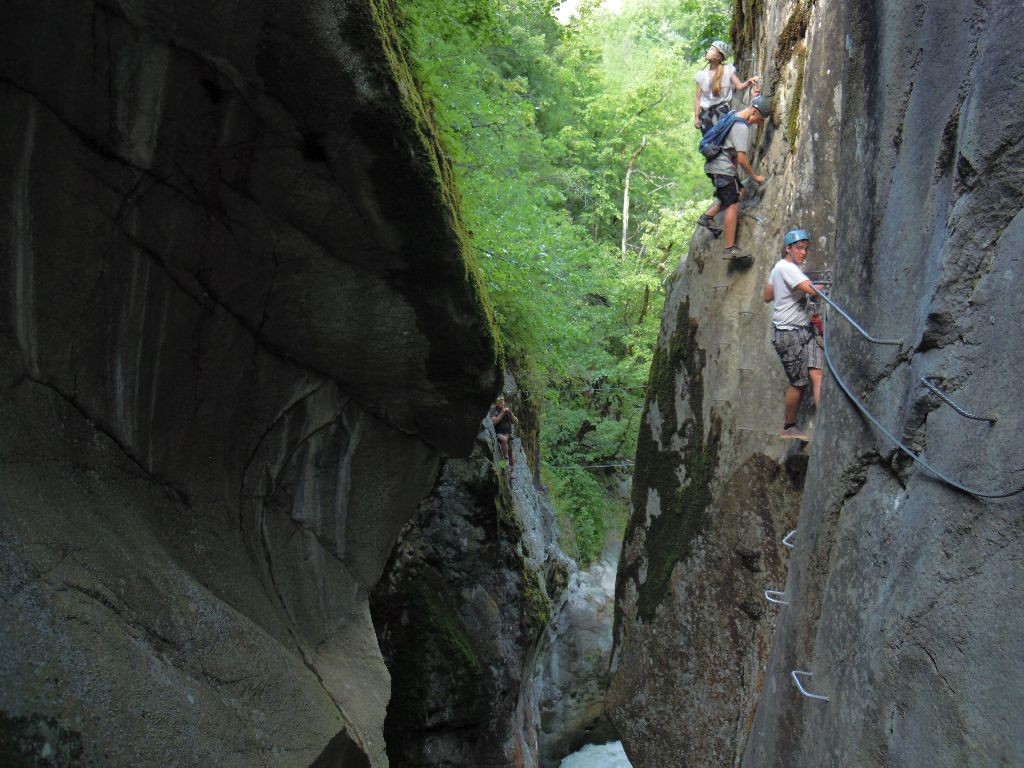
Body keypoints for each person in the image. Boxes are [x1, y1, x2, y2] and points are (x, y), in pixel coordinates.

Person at [762, 229, 824, 440]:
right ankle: (789, 427)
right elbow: (814, 290)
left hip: (803, 330)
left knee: (817, 373)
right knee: (798, 383)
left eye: (806, 248)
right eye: (799, 248)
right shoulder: (788, 268)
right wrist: (823, 284)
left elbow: (767, 296)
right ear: (787, 248)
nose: (803, 252)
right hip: (788, 334)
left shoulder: (779, 269)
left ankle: (824, 423)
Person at [697, 94, 771, 262]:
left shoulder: (733, 115)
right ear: (753, 111)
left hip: (717, 166)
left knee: (735, 193)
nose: (757, 123)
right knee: (733, 203)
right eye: (758, 119)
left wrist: (755, 92)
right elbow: (742, 157)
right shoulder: (741, 126)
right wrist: (755, 176)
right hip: (721, 167)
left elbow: (733, 155)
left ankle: (707, 218)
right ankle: (730, 249)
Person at [693, 40, 760, 135]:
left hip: (722, 112)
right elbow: (698, 99)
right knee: (709, 144)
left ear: (718, 57)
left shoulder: (727, 70)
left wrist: (749, 82)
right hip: (706, 115)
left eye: (711, 49)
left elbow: (739, 86)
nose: (708, 51)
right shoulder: (701, 75)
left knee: (723, 141)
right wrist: (696, 117)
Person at [489, 395, 519, 468]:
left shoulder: (508, 410)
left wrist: (511, 414)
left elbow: (516, 422)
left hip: (508, 434)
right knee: (504, 439)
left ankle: (512, 470)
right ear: (496, 403)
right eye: (500, 402)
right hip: (498, 433)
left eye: (503, 402)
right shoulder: (493, 410)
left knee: (511, 452)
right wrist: (502, 413)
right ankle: (506, 458)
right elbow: (494, 422)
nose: (502, 403)